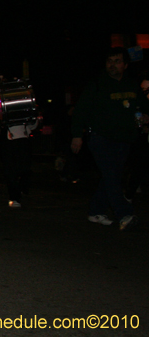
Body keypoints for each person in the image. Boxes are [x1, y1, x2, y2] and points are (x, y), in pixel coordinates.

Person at [71, 47, 147, 230]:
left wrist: (144, 117)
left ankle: (95, 211)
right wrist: (76, 136)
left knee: (110, 176)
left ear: (125, 65)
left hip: (124, 138)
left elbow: (142, 107)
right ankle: (125, 214)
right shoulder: (97, 84)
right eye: (109, 61)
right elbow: (80, 111)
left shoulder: (131, 85)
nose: (112, 65)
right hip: (100, 138)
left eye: (117, 61)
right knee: (112, 177)